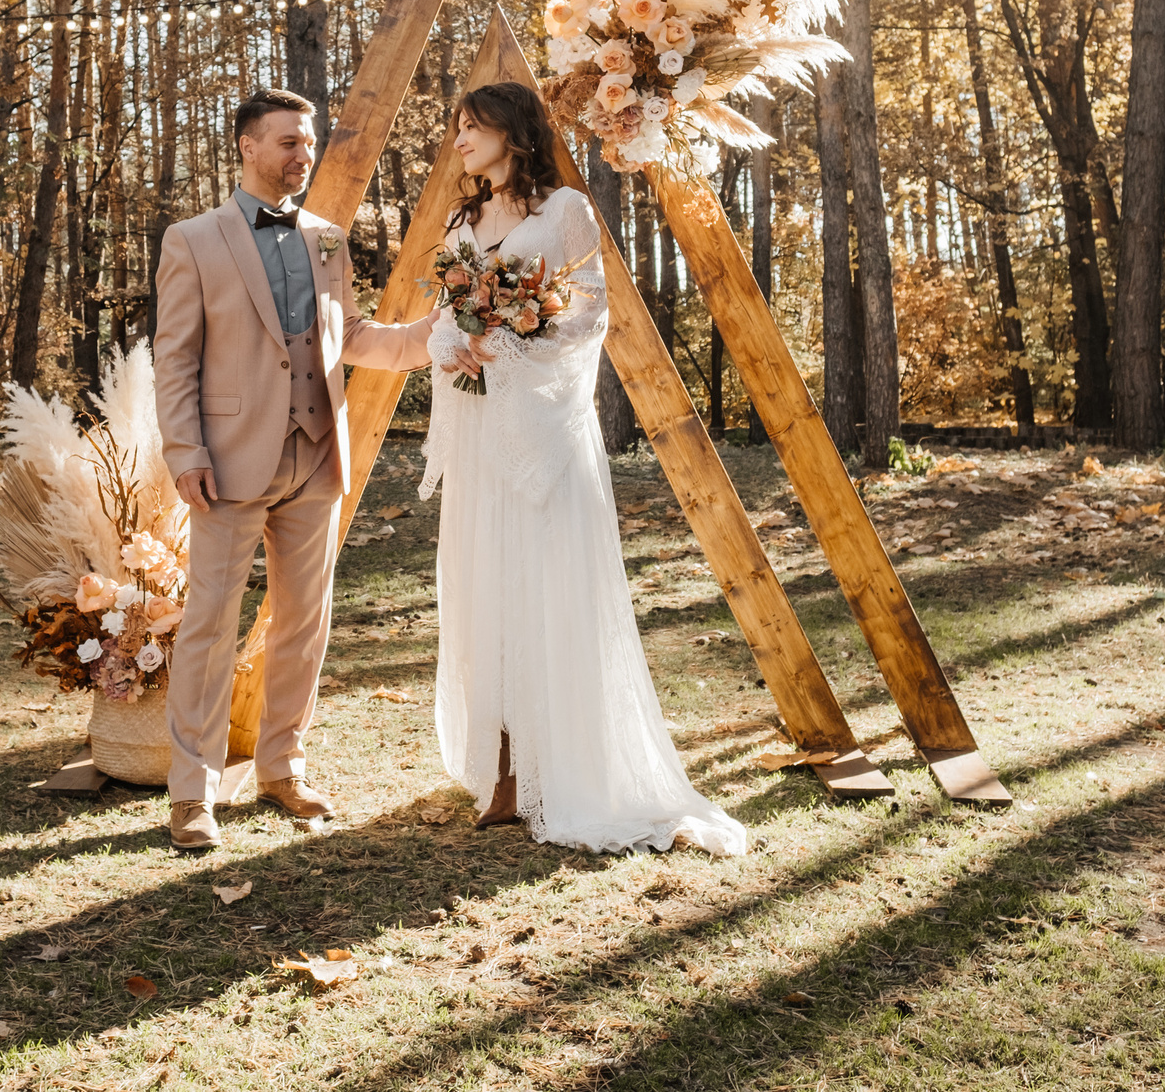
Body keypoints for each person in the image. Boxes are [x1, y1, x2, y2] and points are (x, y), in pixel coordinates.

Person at [421, 81, 748, 855]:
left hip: (542, 429)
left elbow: (589, 315)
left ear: (512, 131)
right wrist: (456, 344)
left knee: (546, 589)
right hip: (480, 434)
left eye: (473, 126)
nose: (461, 139)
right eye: (458, 127)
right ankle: (500, 769)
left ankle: (562, 766)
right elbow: (444, 316)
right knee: (486, 590)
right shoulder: (462, 221)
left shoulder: (564, 209)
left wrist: (510, 339)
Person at [152, 89, 437, 852]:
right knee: (209, 629)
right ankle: (193, 793)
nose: (301, 154)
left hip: (316, 455)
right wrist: (186, 452)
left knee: (304, 624)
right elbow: (174, 358)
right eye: (286, 142)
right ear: (247, 146)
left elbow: (350, 337)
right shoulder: (192, 239)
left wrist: (430, 337)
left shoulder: (327, 239)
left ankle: (283, 765)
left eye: (306, 142)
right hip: (227, 464)